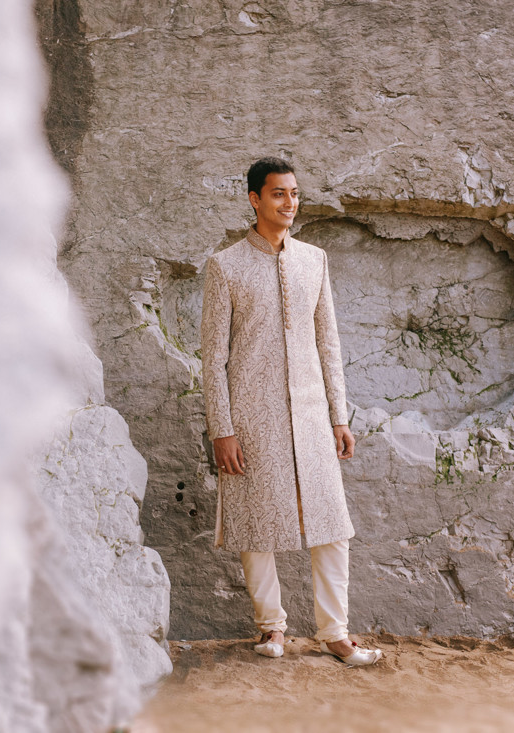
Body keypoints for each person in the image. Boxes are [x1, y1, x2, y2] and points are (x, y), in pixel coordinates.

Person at [200, 157, 382, 667]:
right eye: (278, 194)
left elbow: (329, 344)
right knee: (256, 523)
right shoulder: (226, 266)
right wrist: (223, 429)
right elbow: (213, 357)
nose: (290, 203)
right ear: (255, 199)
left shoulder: (314, 260)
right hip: (251, 418)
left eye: (295, 193)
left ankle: (335, 633)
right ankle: (271, 629)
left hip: (310, 414)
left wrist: (338, 416)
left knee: (331, 524)